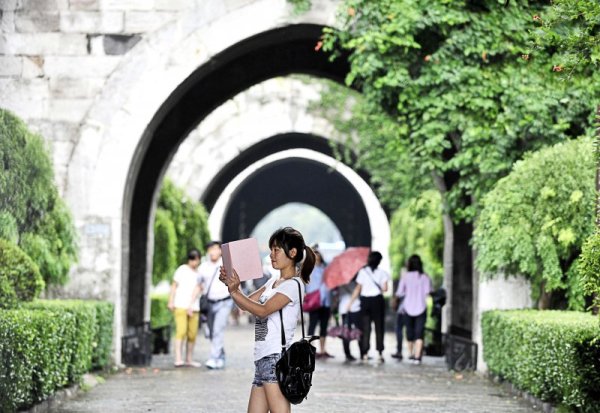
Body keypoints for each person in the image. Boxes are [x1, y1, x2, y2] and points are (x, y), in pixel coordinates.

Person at [219, 227, 315, 413]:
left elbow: (262, 311)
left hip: (275, 360)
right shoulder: (273, 282)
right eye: (271, 249)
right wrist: (232, 286)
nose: (271, 254)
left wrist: (234, 291)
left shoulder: (294, 285)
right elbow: (244, 305)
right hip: (262, 359)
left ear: (292, 253)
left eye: (276, 249)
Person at [347, 251, 389, 363]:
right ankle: (380, 353)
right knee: (379, 327)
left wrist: (350, 303)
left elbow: (358, 289)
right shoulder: (383, 273)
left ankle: (365, 353)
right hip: (377, 301)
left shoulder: (362, 272)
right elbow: (385, 289)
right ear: (379, 261)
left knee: (365, 328)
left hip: (365, 301)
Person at [198, 240, 232, 370]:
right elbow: (198, 285)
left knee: (218, 329)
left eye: (215, 249)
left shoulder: (226, 265)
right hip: (210, 304)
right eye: (210, 249)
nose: (213, 252)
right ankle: (220, 356)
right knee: (211, 332)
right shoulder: (203, 267)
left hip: (224, 302)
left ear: (220, 251)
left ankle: (213, 358)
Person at [167, 249, 203, 367]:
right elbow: (174, 286)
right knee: (181, 332)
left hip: (194, 307)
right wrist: (171, 301)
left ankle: (189, 359)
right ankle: (178, 358)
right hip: (181, 305)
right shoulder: (181, 270)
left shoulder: (199, 273)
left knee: (192, 334)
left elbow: (200, 288)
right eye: (194, 259)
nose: (195, 262)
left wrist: (191, 305)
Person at [397, 254, 433, 365]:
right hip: (421, 307)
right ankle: (417, 357)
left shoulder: (405, 276)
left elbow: (399, 292)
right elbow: (428, 292)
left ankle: (412, 354)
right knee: (419, 333)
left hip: (407, 308)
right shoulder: (425, 277)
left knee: (409, 332)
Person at [306, 250, 332, 358]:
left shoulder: (326, 270)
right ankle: (311, 349)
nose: (317, 259)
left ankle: (322, 350)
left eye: (318, 257)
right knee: (312, 326)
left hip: (326, 301)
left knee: (324, 327)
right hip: (314, 301)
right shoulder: (308, 270)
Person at [337, 278, 361, 362]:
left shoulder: (339, 282)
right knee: (356, 331)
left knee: (347, 332)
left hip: (345, 308)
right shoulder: (357, 282)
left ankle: (348, 354)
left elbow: (337, 295)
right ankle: (362, 353)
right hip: (353, 308)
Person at [391, 269, 407, 361]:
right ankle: (414, 353)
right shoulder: (422, 277)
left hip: (403, 310)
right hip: (418, 309)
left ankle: (399, 351)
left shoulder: (405, 279)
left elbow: (398, 294)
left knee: (399, 329)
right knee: (414, 332)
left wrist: (394, 302)